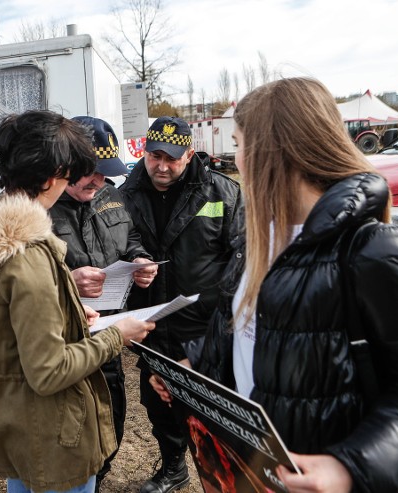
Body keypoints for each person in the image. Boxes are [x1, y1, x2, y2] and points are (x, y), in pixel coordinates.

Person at [162, 77, 398, 492]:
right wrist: (193, 367)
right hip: (251, 474)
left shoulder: (376, 250)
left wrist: (349, 467)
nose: (237, 158)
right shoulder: (255, 239)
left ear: (271, 152)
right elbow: (244, 331)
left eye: (238, 143)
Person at [0, 110, 154, 493]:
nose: (72, 180)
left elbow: (6, 325)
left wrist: (67, 311)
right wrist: (116, 335)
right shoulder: (29, 254)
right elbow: (50, 371)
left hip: (12, 420)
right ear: (50, 175)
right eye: (68, 172)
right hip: (52, 435)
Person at [119, 116, 243, 493]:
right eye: (154, 156)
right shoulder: (126, 193)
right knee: (159, 404)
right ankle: (174, 467)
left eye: (172, 158)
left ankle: (227, 476)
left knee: (214, 410)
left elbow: (242, 255)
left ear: (189, 154)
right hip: (152, 321)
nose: (161, 166)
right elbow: (124, 237)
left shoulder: (222, 193)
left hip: (204, 325)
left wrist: (227, 318)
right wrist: (136, 257)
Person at [49, 116, 158, 491]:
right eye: (91, 173)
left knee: (111, 418)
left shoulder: (112, 194)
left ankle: (97, 477)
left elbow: (131, 239)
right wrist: (69, 281)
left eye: (105, 173)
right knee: (69, 429)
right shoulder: (39, 207)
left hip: (109, 332)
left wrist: (140, 260)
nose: (99, 182)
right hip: (61, 338)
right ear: (66, 165)